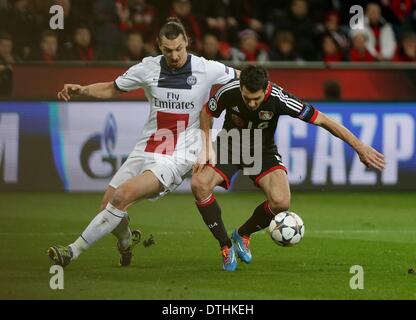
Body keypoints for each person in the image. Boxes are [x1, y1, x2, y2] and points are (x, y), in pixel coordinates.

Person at [48, 17, 237, 268]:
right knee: (108, 205)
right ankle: (126, 241)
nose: (174, 55)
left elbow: (244, 79)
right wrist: (81, 90)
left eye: (179, 49)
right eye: (168, 50)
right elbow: (111, 88)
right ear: (159, 46)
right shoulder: (148, 68)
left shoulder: (206, 68)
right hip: (147, 146)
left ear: (187, 42)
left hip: (179, 154)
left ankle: (72, 251)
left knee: (122, 196)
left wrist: (266, 98)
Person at [191, 65, 385, 271]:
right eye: (247, 98)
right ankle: (226, 246)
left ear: (266, 88)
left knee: (281, 202)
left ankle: (242, 234)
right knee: (199, 184)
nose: (251, 103)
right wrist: (205, 148)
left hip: (262, 150)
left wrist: (360, 147)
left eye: (256, 99)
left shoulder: (280, 98)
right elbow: (207, 112)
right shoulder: (228, 91)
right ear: (241, 87)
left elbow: (323, 120)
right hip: (229, 144)